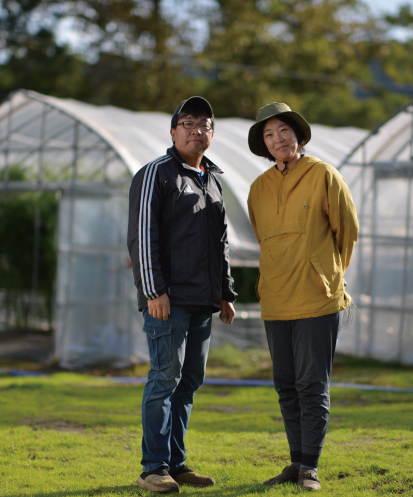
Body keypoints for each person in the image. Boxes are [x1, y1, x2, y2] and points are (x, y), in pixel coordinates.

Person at [246, 102, 359, 491]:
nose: (277, 139)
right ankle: (295, 463)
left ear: (298, 134)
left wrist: (327, 275)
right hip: (275, 300)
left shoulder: (323, 174)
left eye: (283, 131)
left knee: (312, 384)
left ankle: (310, 467)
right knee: (286, 385)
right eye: (269, 134)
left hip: (316, 298)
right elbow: (263, 239)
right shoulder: (258, 188)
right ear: (264, 144)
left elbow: (347, 231)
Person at [127, 96, 237, 493]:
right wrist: (154, 291)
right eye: (188, 123)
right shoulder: (156, 173)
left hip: (203, 302)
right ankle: (153, 469)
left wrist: (226, 293)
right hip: (168, 301)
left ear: (212, 134)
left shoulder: (212, 179)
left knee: (189, 381)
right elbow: (142, 236)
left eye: (204, 124)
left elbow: (220, 243)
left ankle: (176, 464)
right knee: (164, 379)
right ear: (173, 131)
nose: (196, 130)